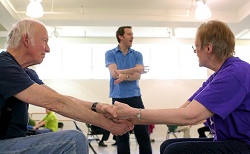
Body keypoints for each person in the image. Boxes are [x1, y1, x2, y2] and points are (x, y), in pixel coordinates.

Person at [112, 20, 250, 154]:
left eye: (196, 46)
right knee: (168, 145)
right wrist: (132, 118)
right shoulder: (219, 76)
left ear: (208, 48)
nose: (195, 51)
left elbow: (190, 116)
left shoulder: (234, 74)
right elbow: (183, 110)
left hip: (244, 145)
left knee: (174, 150)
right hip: (229, 141)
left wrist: (132, 113)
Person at [0, 19, 133, 154]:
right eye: (44, 41)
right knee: (74, 140)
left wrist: (98, 106)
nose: (48, 49)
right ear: (26, 40)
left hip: (12, 141)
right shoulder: (3, 65)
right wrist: (108, 125)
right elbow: (56, 103)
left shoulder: (26, 72)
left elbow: (59, 98)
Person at [105, 26, 152, 154]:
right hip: (118, 98)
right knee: (122, 136)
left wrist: (124, 75)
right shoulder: (110, 53)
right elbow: (114, 74)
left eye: (132, 34)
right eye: (129, 34)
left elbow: (138, 75)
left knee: (143, 134)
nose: (132, 36)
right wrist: (133, 70)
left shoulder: (137, 54)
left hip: (135, 97)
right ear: (121, 36)